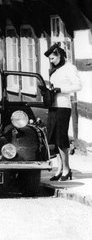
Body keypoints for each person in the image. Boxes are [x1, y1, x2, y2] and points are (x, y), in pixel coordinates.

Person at [44, 43, 82, 181]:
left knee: (61, 138)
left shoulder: (69, 68)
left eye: (53, 58)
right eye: (50, 59)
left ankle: (67, 169)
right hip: (53, 106)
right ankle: (59, 169)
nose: (51, 61)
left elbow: (78, 86)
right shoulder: (54, 70)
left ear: (59, 56)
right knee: (53, 138)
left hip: (63, 106)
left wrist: (60, 89)